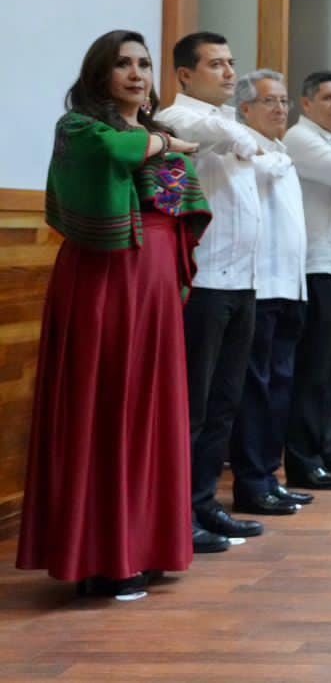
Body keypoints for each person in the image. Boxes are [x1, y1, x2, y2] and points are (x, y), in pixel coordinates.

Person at [16, 30, 209, 600]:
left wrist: (164, 154)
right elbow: (113, 153)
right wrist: (165, 147)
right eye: (122, 63)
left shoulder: (153, 135)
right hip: (100, 280)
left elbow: (180, 204)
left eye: (144, 64)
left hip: (151, 283)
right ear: (100, 74)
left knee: (147, 410)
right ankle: (100, 556)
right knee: (100, 406)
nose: (136, 72)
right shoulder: (78, 129)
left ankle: (144, 547)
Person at [156, 32, 271, 549]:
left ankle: (205, 505)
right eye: (215, 64)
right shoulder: (175, 119)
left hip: (244, 282)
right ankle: (177, 514)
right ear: (185, 75)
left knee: (226, 401)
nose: (228, 73)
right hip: (203, 285)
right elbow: (208, 133)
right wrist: (244, 136)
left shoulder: (226, 124)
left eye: (231, 62)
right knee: (195, 406)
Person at [228, 69, 309, 516]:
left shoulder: (278, 149)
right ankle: (252, 481)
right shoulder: (245, 150)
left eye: (283, 101)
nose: (281, 109)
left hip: (290, 286)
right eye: (270, 102)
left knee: (281, 386)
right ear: (245, 110)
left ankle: (270, 478)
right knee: (256, 389)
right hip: (259, 286)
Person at [283, 71, 331, 490]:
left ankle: (327, 449)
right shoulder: (300, 138)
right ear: (306, 104)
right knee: (312, 369)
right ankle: (303, 456)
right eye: (327, 97)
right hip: (315, 267)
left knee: (330, 370)